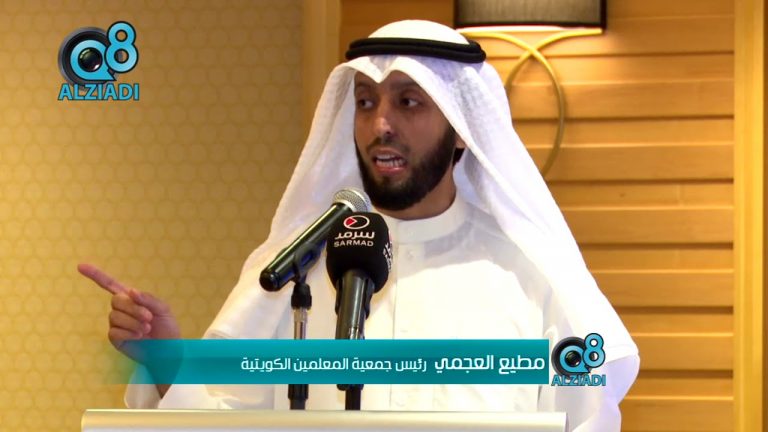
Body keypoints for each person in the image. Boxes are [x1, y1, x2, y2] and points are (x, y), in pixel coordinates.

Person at [79, 20, 639, 431]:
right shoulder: (297, 265)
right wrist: (168, 359)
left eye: (409, 102)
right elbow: (226, 415)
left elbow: (585, 418)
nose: (380, 124)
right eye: (366, 102)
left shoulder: (528, 273)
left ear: (461, 129)